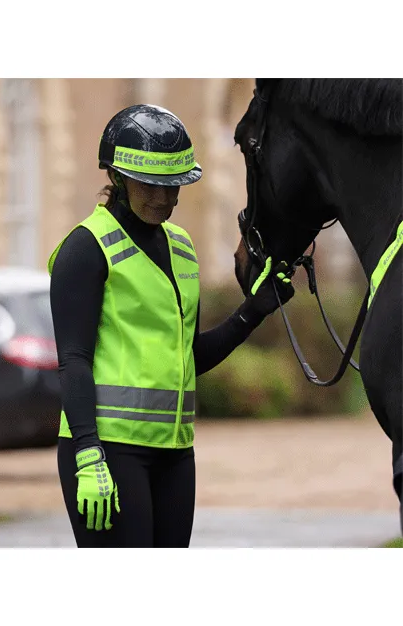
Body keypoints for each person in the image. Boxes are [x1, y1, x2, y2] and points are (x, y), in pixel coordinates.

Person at [48, 104, 294, 548]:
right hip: (108, 451)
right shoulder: (86, 248)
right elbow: (74, 360)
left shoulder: (182, 247)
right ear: (119, 178)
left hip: (176, 452)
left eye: (173, 186)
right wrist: (88, 454)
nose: (164, 198)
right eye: (150, 186)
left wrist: (253, 311)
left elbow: (188, 357)